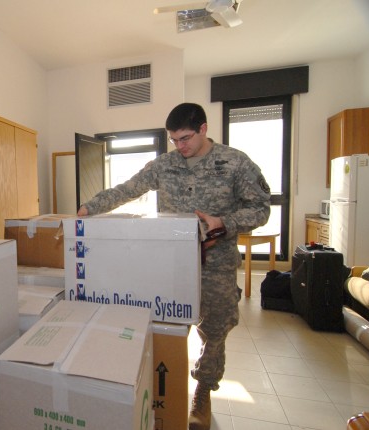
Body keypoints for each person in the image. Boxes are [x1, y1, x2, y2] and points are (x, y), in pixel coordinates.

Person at [77, 103, 271, 430]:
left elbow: (261, 209)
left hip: (217, 264)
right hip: (171, 262)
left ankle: (204, 392)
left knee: (216, 328)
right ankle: (157, 387)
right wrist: (88, 208)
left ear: (203, 128)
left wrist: (223, 222)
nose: (179, 147)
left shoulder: (234, 162)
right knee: (164, 323)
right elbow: (128, 188)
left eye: (185, 139)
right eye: (173, 140)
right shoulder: (165, 165)